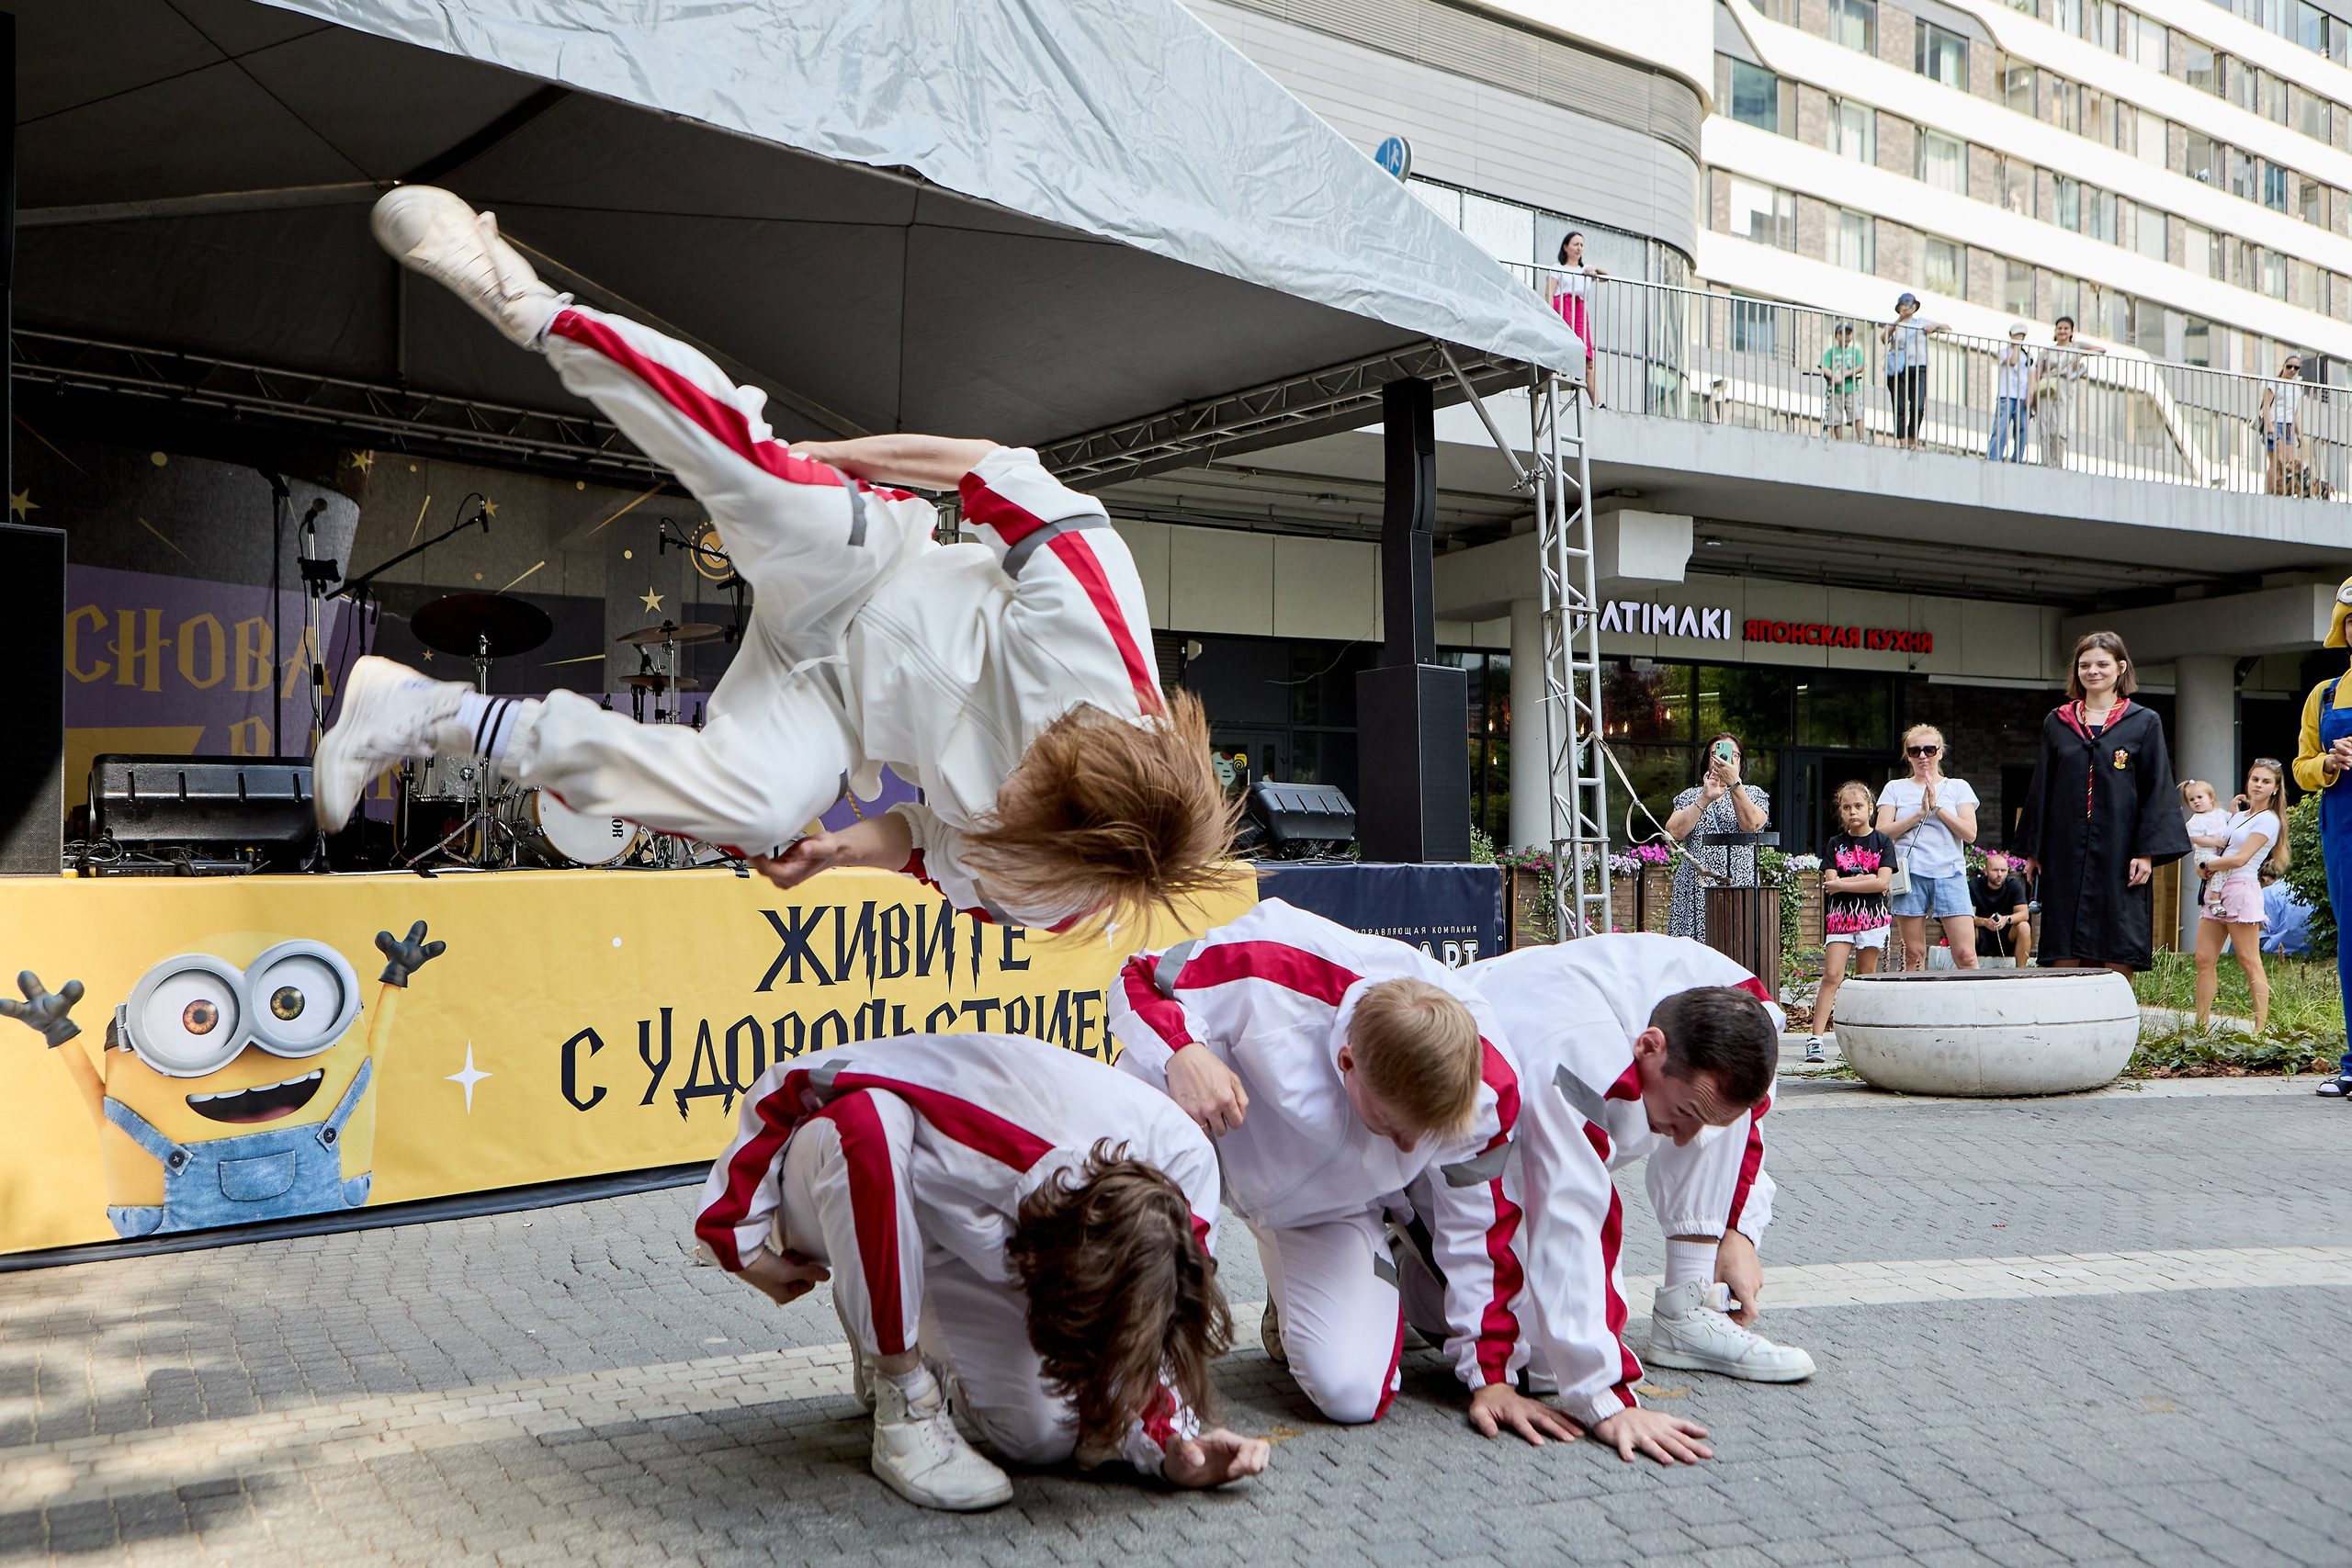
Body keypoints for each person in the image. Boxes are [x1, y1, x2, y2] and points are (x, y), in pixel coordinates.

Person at [315, 186, 1235, 931]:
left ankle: (414, 713)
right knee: (756, 481)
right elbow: (984, 468)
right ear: (1089, 741)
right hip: (873, 568)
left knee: (752, 807)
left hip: (826, 701)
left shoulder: (1048, 890)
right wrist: (827, 468)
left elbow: (923, 843)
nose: (1010, 789)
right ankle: (528, 304)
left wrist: (839, 850)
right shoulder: (1098, 644)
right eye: (1037, 773)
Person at [694, 1032, 1269, 1509]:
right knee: (869, 1124)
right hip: (860, 1175)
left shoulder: (1187, 1176)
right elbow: (800, 1079)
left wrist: (1173, 1442)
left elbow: (1144, 1331)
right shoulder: (982, 1128)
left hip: (983, 1229)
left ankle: (893, 1307)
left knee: (1041, 1438)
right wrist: (735, 1239)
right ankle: (904, 1398)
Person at [1104, 899, 1570, 1446]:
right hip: (1206, 1139)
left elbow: (1481, 1229)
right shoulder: (1275, 962)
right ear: (1347, 1062)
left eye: (1428, 1135)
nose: (1409, 1147)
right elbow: (1138, 975)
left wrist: (1491, 1380)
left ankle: (1345, 1271)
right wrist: (1182, 1051)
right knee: (1152, 1116)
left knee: (1354, 1393)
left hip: (1329, 1207)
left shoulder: (1488, 1087)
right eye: (1396, 1129)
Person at [1464, 935, 1812, 1467]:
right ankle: (1409, 1264)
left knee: (1549, 1353)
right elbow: (1573, 1214)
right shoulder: (1577, 1060)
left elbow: (1743, 1119)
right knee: (1540, 1366)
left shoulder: (1746, 1014)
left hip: (1567, 1042)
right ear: (1649, 1046)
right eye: (1687, 1111)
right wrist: (1604, 1398)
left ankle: (1689, 1304)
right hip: (1452, 1154)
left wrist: (1738, 1230)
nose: (1680, 1141)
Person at [2015, 632, 2190, 975]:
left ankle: (2117, 1020)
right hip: (2064, 852)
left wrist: (2146, 852)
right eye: (2085, 665)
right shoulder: (2058, 722)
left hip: (2120, 852)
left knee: (2117, 938)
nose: (2092, 671)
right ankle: (2064, 1022)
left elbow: (2157, 790)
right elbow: (2041, 788)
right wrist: (2034, 851)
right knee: (2063, 938)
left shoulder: (2143, 722)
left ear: (2120, 667)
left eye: (2102, 664)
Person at [2293, 576, 2352, 1095]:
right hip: (2343, 823)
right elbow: (2300, 766)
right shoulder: (2325, 693)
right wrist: (2328, 764)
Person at [1876, 725, 1981, 972]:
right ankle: (1915, 1008)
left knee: (1966, 954)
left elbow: (1970, 833)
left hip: (1950, 873)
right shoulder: (1895, 788)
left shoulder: (1958, 787)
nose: (1923, 756)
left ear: (1940, 752)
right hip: (1909, 874)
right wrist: (1919, 814)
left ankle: (1977, 1008)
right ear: (1908, 755)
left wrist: (1937, 809)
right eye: (1915, 751)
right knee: (1912, 955)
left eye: (1929, 749)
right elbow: (1880, 832)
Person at [2196, 761, 2287, 1032]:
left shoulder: (2269, 820)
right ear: (2247, 782)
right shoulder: (2238, 816)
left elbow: (2241, 858)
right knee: (2203, 958)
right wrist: (2206, 867)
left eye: (2266, 781)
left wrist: (2207, 866)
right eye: (2255, 779)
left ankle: (2260, 1030)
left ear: (2275, 789)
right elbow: (2220, 848)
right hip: (2217, 889)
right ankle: (2201, 1026)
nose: (2258, 785)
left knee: (2249, 960)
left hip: (2242, 888)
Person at [1808, 781, 1894, 1061]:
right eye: (1846, 807)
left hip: (1873, 918)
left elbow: (1883, 881)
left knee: (1863, 979)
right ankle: (1815, 1039)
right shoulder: (1835, 844)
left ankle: (1860, 1040)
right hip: (1840, 919)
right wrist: (1866, 880)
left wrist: (1847, 883)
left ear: (1870, 808)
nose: (1852, 812)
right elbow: (1829, 883)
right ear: (1840, 811)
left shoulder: (1883, 842)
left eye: (1858, 806)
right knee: (1832, 975)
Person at [1661, 734, 1770, 940]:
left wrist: (1734, 785)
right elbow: (1673, 833)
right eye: (1717, 753)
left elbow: (1752, 824)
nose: (1724, 759)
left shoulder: (1754, 794)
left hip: (1738, 887)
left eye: (1733, 755)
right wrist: (1705, 797)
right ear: (1707, 761)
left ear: (1740, 761)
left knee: (1736, 949)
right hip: (1695, 887)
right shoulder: (1690, 796)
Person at [2033, 314, 2107, 469]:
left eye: (2066, 328)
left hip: (2065, 386)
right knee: (2045, 425)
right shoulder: (2047, 351)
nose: (2062, 331)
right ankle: (2046, 461)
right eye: (2060, 328)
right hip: (2047, 386)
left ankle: (2057, 462)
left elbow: (2101, 350)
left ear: (2072, 332)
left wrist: (2081, 355)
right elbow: (2037, 371)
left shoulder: (2076, 346)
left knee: (2059, 427)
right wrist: (2032, 395)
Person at [1881, 292, 1950, 449]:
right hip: (1898, 369)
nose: (1907, 306)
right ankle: (1902, 440)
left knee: (1918, 405)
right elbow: (1884, 338)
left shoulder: (1921, 322)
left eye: (1910, 303)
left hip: (1919, 367)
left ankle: (1912, 437)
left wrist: (1935, 326)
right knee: (1899, 405)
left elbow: (1948, 327)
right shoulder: (1895, 325)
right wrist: (1899, 319)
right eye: (1904, 304)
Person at [1545, 231, 1607, 407]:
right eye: (1575, 244)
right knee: (1559, 355)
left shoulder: (1584, 270)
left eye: (1581, 244)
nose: (1579, 248)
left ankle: (1598, 403)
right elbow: (1550, 294)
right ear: (1566, 247)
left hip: (1579, 313)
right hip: (1562, 310)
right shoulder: (1557, 267)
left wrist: (1594, 268)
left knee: (1587, 360)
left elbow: (1606, 277)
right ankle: (1553, 398)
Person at [1967, 852, 2034, 966]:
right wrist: (1985, 922)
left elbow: (2024, 914)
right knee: (1967, 927)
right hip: (1981, 931)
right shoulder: (1973, 886)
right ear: (1986, 871)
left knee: (2024, 926)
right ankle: (1968, 967)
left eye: (2003, 871)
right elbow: (1968, 916)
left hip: (2007, 932)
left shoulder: (2014, 885)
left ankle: (2021, 971)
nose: (1999, 874)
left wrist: (2006, 919)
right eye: (1995, 870)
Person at [2259, 353, 2309, 497]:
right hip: (2275, 423)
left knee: (2288, 463)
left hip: (2288, 425)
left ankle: (2281, 492)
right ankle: (2270, 493)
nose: (2292, 370)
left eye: (2296, 367)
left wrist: (2299, 432)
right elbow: (2266, 406)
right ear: (2284, 366)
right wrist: (2269, 426)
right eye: (2289, 366)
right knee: (2276, 463)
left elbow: (2295, 412)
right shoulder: (2275, 383)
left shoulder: (2296, 388)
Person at [1987, 322, 2034, 462]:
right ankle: (1994, 456)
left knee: (2022, 429)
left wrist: (2030, 394)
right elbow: (2012, 362)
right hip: (2006, 395)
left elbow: (2032, 375)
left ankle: (2017, 458)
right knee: (2001, 427)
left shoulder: (2029, 355)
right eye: (2016, 335)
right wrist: (2016, 348)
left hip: (2022, 396)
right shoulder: (2003, 352)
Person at [2180, 780, 2231, 896]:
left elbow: (2233, 819)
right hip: (2204, 854)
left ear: (2211, 797)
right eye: (2191, 799)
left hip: (2217, 853)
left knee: (2222, 869)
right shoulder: (2195, 820)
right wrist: (2215, 842)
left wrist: (2234, 806)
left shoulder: (2220, 813)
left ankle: (2219, 893)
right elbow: (2195, 838)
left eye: (2199, 797)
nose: (2196, 801)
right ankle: (2214, 896)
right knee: (2223, 864)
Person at [1818, 321, 1867, 441]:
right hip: (1835, 390)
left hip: (1851, 388)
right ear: (1836, 335)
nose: (1846, 336)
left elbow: (1861, 366)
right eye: (1842, 333)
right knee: (1836, 417)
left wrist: (1846, 374)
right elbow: (1823, 366)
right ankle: (1840, 440)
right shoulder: (1831, 352)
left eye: (1848, 333)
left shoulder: (1856, 351)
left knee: (1856, 414)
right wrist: (1834, 376)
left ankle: (1861, 440)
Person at [2260, 873, 2314, 957]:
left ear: (2265, 879)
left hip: (2284, 944)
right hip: (2311, 943)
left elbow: (2271, 926)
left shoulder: (2266, 892)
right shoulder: (2302, 887)